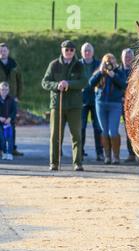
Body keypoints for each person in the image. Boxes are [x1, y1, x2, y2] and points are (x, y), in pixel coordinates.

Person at [42, 40, 87, 171]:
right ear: (62, 50)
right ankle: (54, 162)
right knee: (55, 135)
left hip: (74, 106)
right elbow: (45, 82)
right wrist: (57, 85)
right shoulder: (54, 65)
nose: (69, 52)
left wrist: (69, 84)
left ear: (74, 52)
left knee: (76, 136)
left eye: (71, 50)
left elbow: (84, 81)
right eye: (66, 49)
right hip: (57, 105)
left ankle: (77, 163)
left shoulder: (79, 65)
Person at [88, 53, 126, 165]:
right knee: (104, 131)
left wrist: (113, 75)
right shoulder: (100, 72)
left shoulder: (119, 72)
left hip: (115, 104)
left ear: (115, 62)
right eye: (107, 61)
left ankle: (116, 157)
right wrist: (100, 71)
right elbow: (90, 83)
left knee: (113, 131)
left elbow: (124, 85)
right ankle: (107, 156)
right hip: (101, 104)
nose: (109, 63)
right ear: (103, 63)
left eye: (112, 61)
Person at [79, 42, 103, 162]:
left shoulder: (99, 64)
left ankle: (100, 153)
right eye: (85, 50)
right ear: (81, 52)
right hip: (81, 100)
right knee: (81, 127)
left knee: (98, 128)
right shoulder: (77, 64)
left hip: (96, 99)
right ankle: (80, 152)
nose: (87, 52)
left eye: (89, 50)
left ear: (92, 52)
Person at [0, 42, 24, 156]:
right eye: (1, 50)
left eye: (4, 50)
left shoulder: (14, 64)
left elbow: (20, 81)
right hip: (0, 98)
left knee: (11, 123)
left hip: (12, 99)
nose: (2, 52)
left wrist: (18, 96)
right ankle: (1, 149)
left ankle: (12, 148)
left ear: (8, 51)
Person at [119, 48, 136, 163]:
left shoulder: (137, 71)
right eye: (125, 57)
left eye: (129, 57)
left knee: (134, 129)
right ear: (122, 58)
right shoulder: (117, 70)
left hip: (134, 105)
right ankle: (130, 154)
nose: (127, 59)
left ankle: (135, 153)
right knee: (127, 130)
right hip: (119, 103)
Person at [0, 82, 17, 160]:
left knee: (10, 138)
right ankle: (3, 152)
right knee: (2, 138)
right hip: (0, 123)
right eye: (2, 89)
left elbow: (14, 111)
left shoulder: (11, 99)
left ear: (8, 90)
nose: (4, 91)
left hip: (9, 123)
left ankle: (9, 153)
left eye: (6, 90)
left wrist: (10, 118)